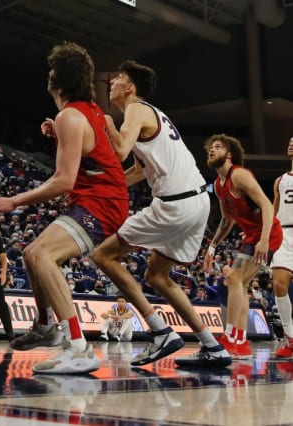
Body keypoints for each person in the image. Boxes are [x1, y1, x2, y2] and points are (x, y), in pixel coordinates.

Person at [0, 42, 129, 375]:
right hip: (104, 199)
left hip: (101, 203)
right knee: (31, 253)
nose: (48, 75)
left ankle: (78, 348)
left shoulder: (70, 116)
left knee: (41, 255)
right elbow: (92, 151)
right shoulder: (87, 111)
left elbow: (64, 181)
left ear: (58, 80)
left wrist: (14, 201)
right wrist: (59, 134)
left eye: (52, 70)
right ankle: (45, 325)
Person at [92, 61, 231, 369]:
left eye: (117, 78)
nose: (111, 82)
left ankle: (160, 332)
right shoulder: (153, 114)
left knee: (102, 255)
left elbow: (119, 151)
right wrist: (100, 188)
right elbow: (138, 170)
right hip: (198, 202)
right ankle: (212, 346)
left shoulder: (136, 109)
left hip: (175, 205)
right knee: (156, 275)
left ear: (130, 88)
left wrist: (106, 121)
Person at [203, 133, 282, 359]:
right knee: (239, 284)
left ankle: (231, 337)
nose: (212, 150)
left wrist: (264, 240)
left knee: (234, 279)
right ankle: (241, 341)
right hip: (251, 236)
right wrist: (212, 247)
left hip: (268, 234)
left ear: (229, 154)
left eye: (218, 147)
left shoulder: (239, 175)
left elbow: (267, 205)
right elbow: (227, 220)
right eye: (210, 147)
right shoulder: (218, 185)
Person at [269, 136, 293, 358]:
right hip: (284, 233)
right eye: (290, 141)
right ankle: (290, 337)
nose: (291, 144)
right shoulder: (280, 181)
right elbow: (273, 212)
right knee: (278, 284)